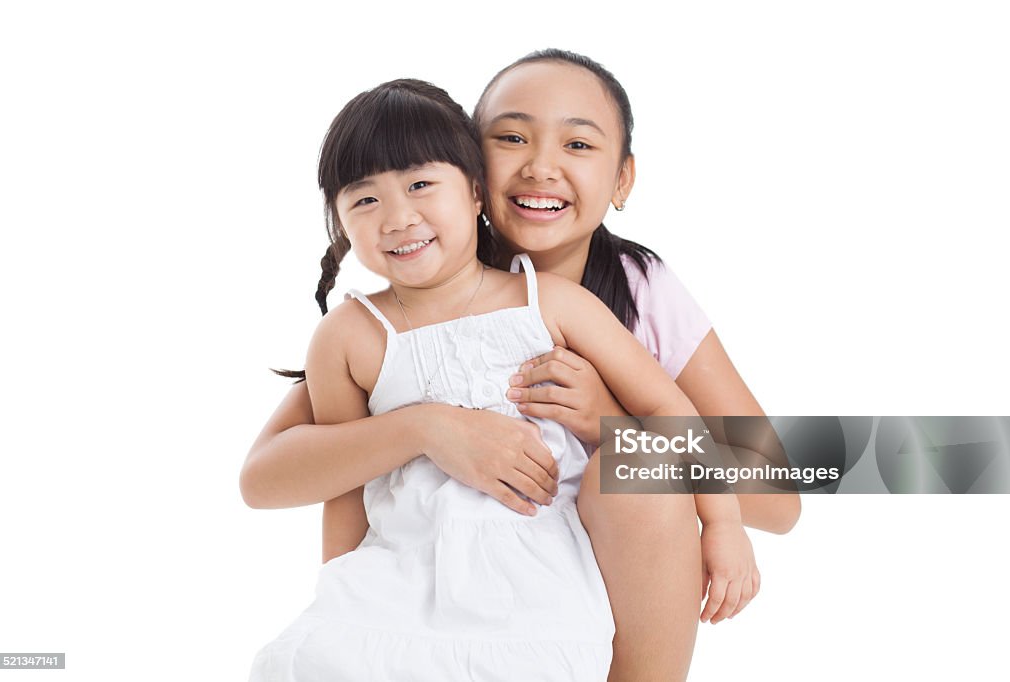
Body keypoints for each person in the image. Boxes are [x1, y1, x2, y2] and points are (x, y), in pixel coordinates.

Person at [242, 50, 799, 681]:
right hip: (427, 582)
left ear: (622, 180)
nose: (541, 165)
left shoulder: (633, 289)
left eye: (579, 144)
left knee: (638, 472)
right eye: (511, 137)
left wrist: (604, 420)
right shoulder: (391, 313)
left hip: (576, 574)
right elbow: (289, 472)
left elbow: (778, 493)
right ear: (476, 167)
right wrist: (429, 426)